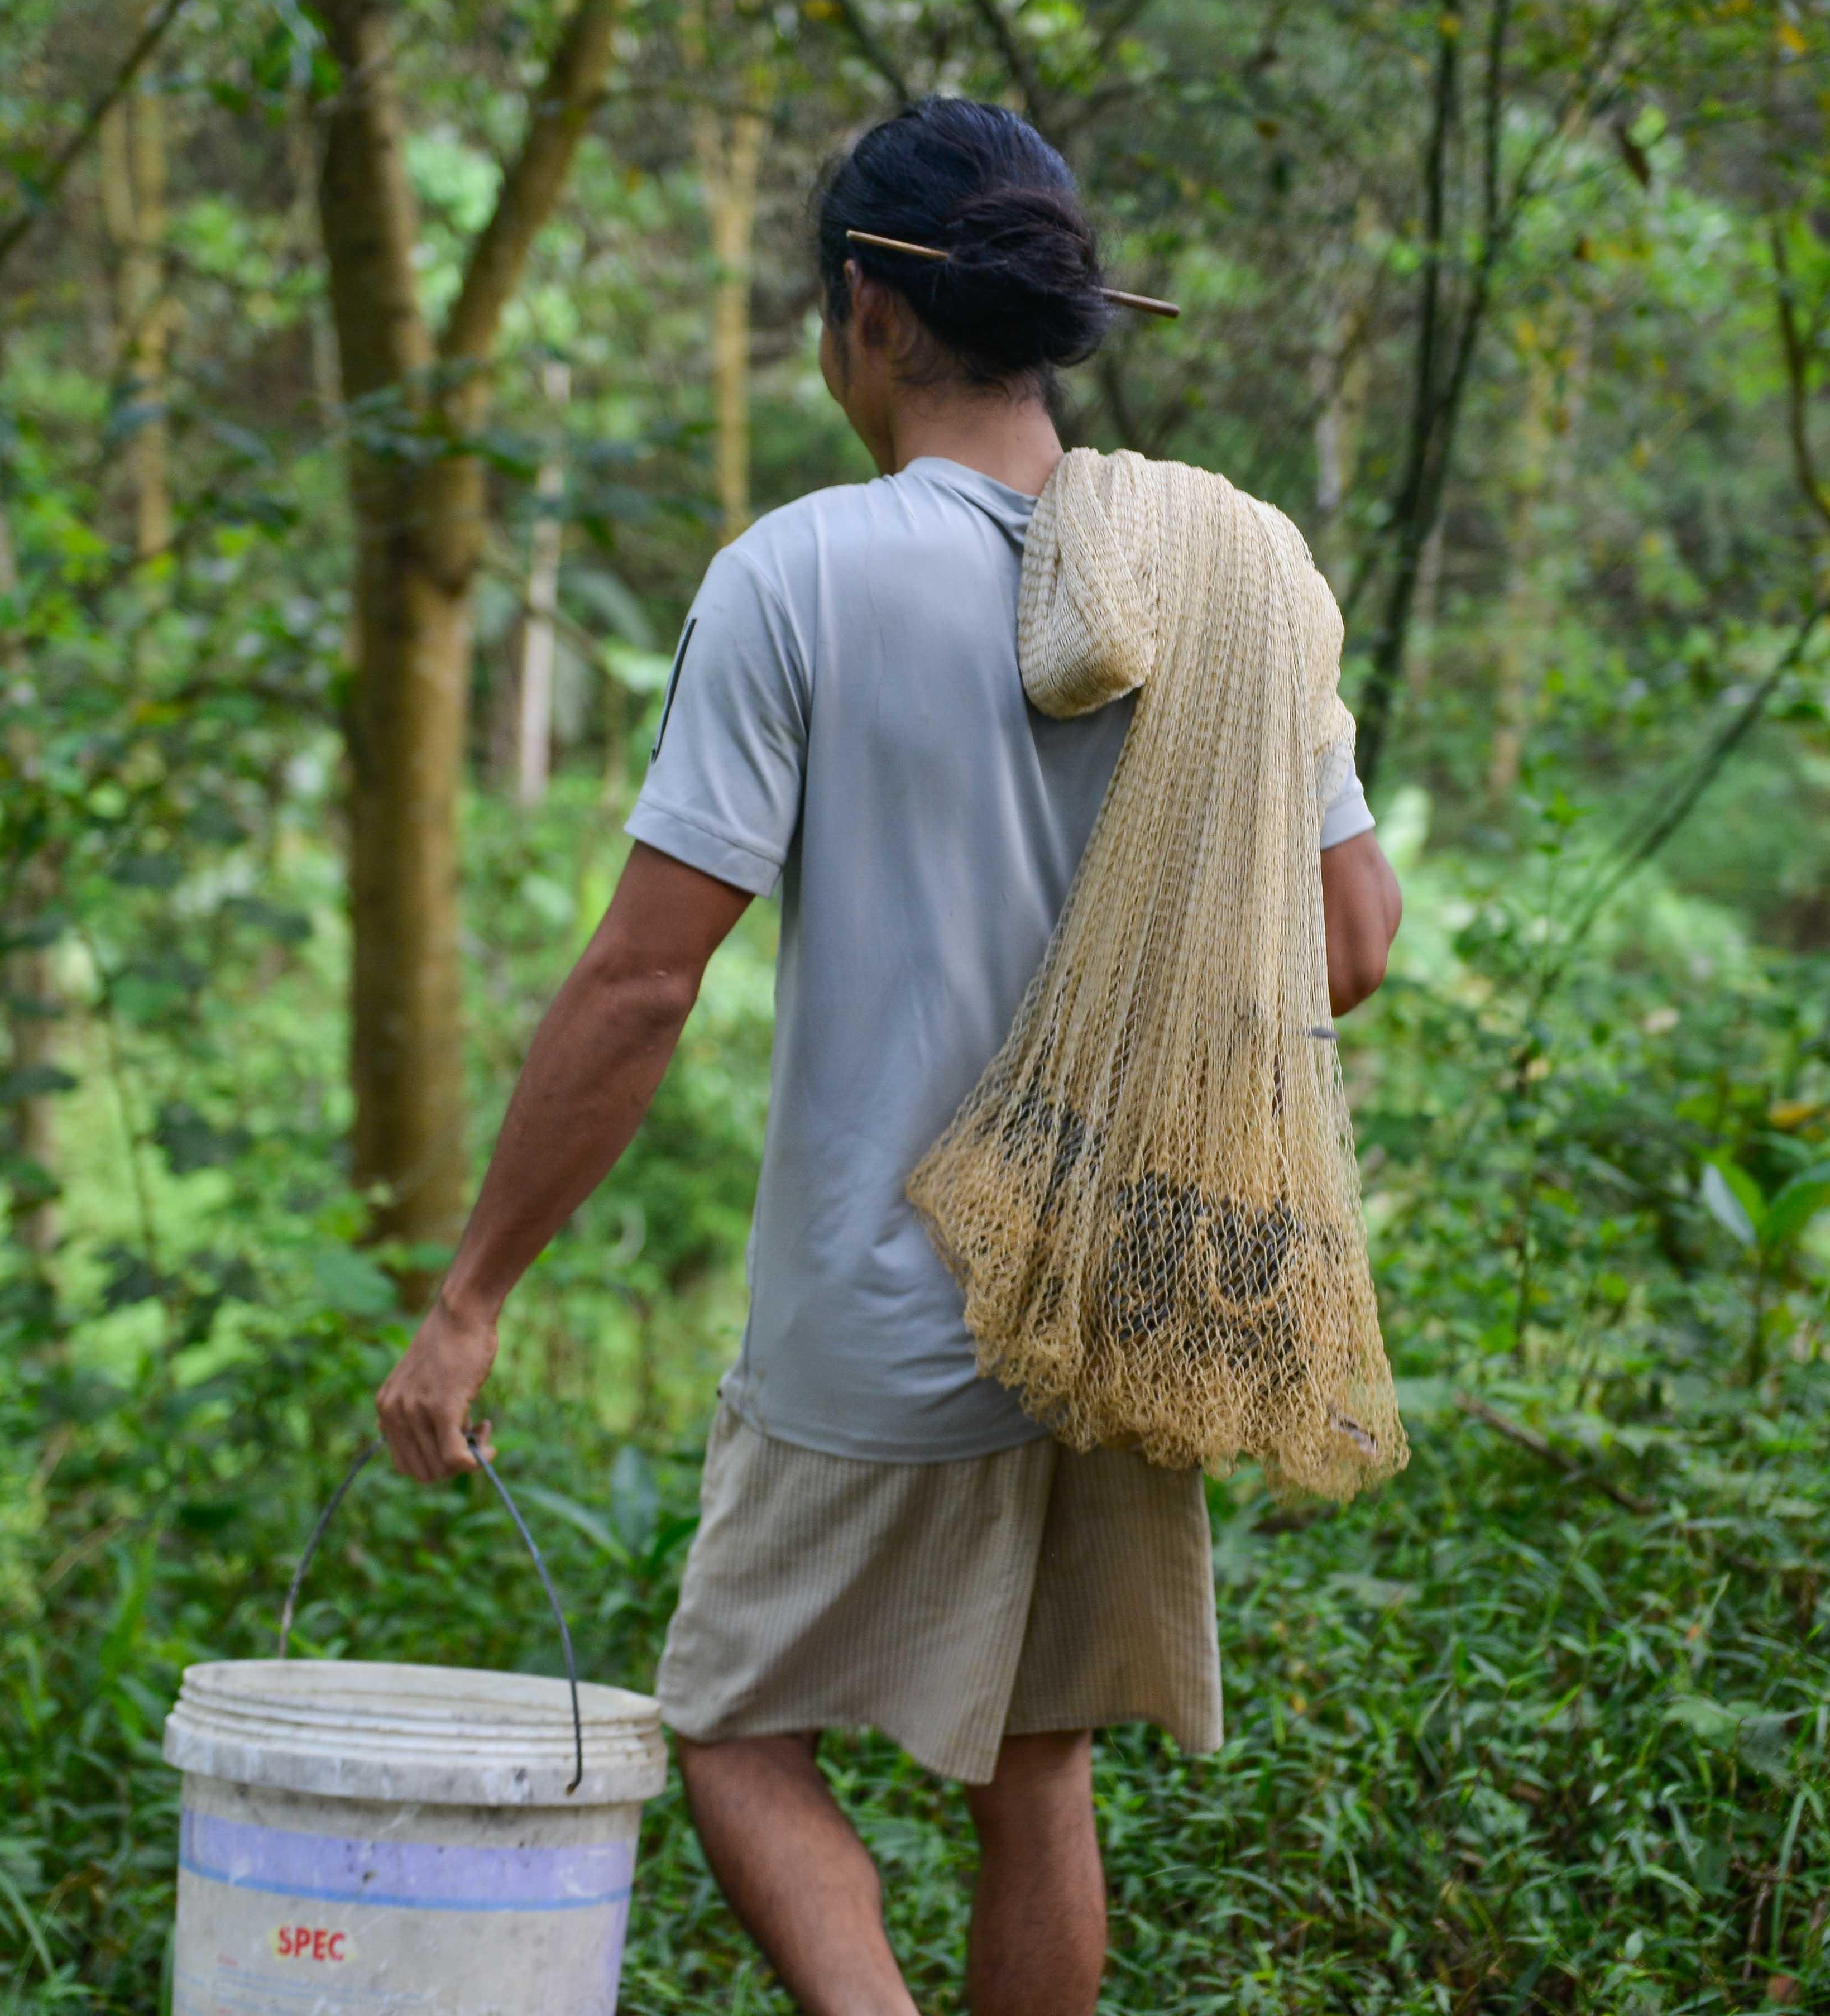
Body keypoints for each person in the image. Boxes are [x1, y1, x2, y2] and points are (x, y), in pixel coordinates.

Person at [368, 97, 1405, 2015]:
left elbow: (639, 987)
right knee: (1038, 1770)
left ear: (861, 308)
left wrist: (472, 1295)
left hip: (885, 1299)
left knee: (737, 1724)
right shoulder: (1238, 577)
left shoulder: (804, 576)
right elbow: (1354, 943)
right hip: (1135, 1278)